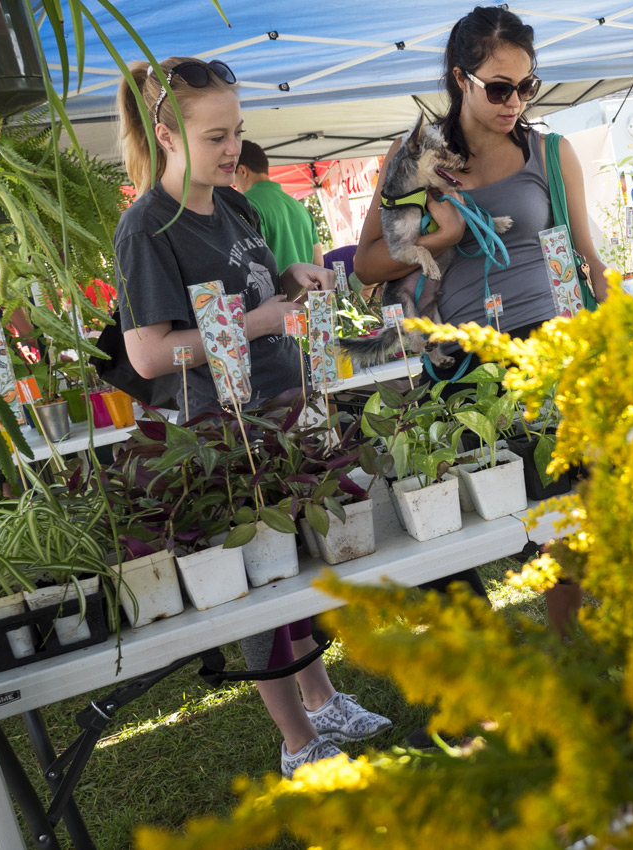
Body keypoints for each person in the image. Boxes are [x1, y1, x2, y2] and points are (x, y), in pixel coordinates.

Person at [113, 56, 390, 777]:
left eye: (237, 131)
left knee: (295, 572)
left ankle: (322, 701)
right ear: (166, 136)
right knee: (265, 588)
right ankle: (297, 740)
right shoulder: (148, 228)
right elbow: (147, 356)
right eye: (215, 136)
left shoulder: (232, 203)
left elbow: (259, 286)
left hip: (281, 408)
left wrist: (290, 282)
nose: (232, 148)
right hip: (225, 434)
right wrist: (259, 322)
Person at [353, 5, 606, 626]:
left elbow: (588, 259)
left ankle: (568, 647)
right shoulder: (416, 156)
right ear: (459, 78)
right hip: (463, 359)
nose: (515, 101)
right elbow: (367, 265)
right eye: (499, 87)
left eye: (527, 86)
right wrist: (438, 239)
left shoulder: (549, 152)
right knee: (446, 520)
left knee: (568, 510)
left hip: (555, 346)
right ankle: (482, 660)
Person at [233, 140, 325, 270]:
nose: (234, 185)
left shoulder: (247, 204)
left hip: (274, 290)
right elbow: (319, 264)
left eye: (233, 178)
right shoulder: (300, 207)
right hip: (308, 289)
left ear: (242, 171)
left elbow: (256, 259)